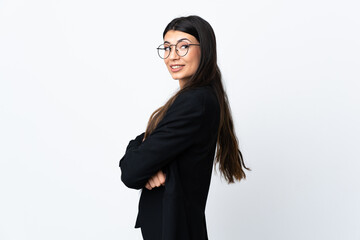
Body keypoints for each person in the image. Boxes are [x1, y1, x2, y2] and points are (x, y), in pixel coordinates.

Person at [119, 15, 249, 240]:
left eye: (183, 47)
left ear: (204, 50)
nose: (173, 56)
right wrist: (147, 165)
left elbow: (131, 172)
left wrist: (144, 165)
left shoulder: (194, 102)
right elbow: (143, 152)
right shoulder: (197, 99)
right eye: (167, 48)